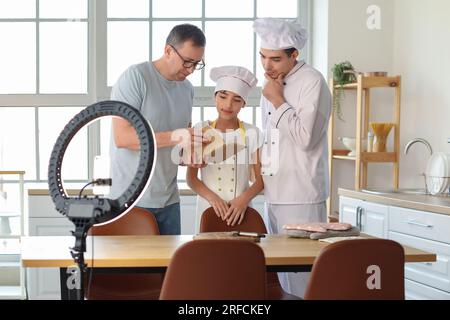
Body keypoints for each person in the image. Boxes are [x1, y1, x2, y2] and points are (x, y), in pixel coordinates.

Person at [253, 18, 332, 298]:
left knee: (303, 277)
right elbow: (270, 139)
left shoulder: (312, 82)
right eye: (262, 56)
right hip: (274, 193)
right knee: (284, 275)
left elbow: (305, 138)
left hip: (301, 193)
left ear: (294, 54)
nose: (266, 65)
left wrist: (277, 100)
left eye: (275, 59)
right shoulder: (272, 84)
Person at [109, 24, 207, 235]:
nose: (190, 70)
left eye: (197, 64)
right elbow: (123, 138)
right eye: (187, 62)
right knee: (130, 267)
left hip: (169, 200)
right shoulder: (136, 78)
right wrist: (178, 136)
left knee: (169, 268)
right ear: (168, 51)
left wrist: (188, 155)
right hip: (132, 200)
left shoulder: (187, 89)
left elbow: (176, 144)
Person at [186, 66, 264, 233]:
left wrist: (242, 200)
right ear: (215, 98)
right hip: (208, 208)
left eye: (237, 100)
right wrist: (213, 198)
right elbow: (192, 179)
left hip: (241, 210)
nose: (228, 105)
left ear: (244, 104)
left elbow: (260, 181)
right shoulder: (201, 130)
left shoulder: (252, 133)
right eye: (223, 96)